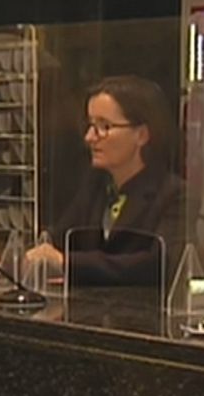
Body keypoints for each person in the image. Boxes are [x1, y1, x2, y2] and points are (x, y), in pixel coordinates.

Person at [27, 75, 185, 286]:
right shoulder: (95, 186)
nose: (89, 137)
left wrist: (67, 262)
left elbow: (156, 264)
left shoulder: (174, 194)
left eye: (104, 126)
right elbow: (58, 238)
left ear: (141, 135)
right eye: (91, 125)